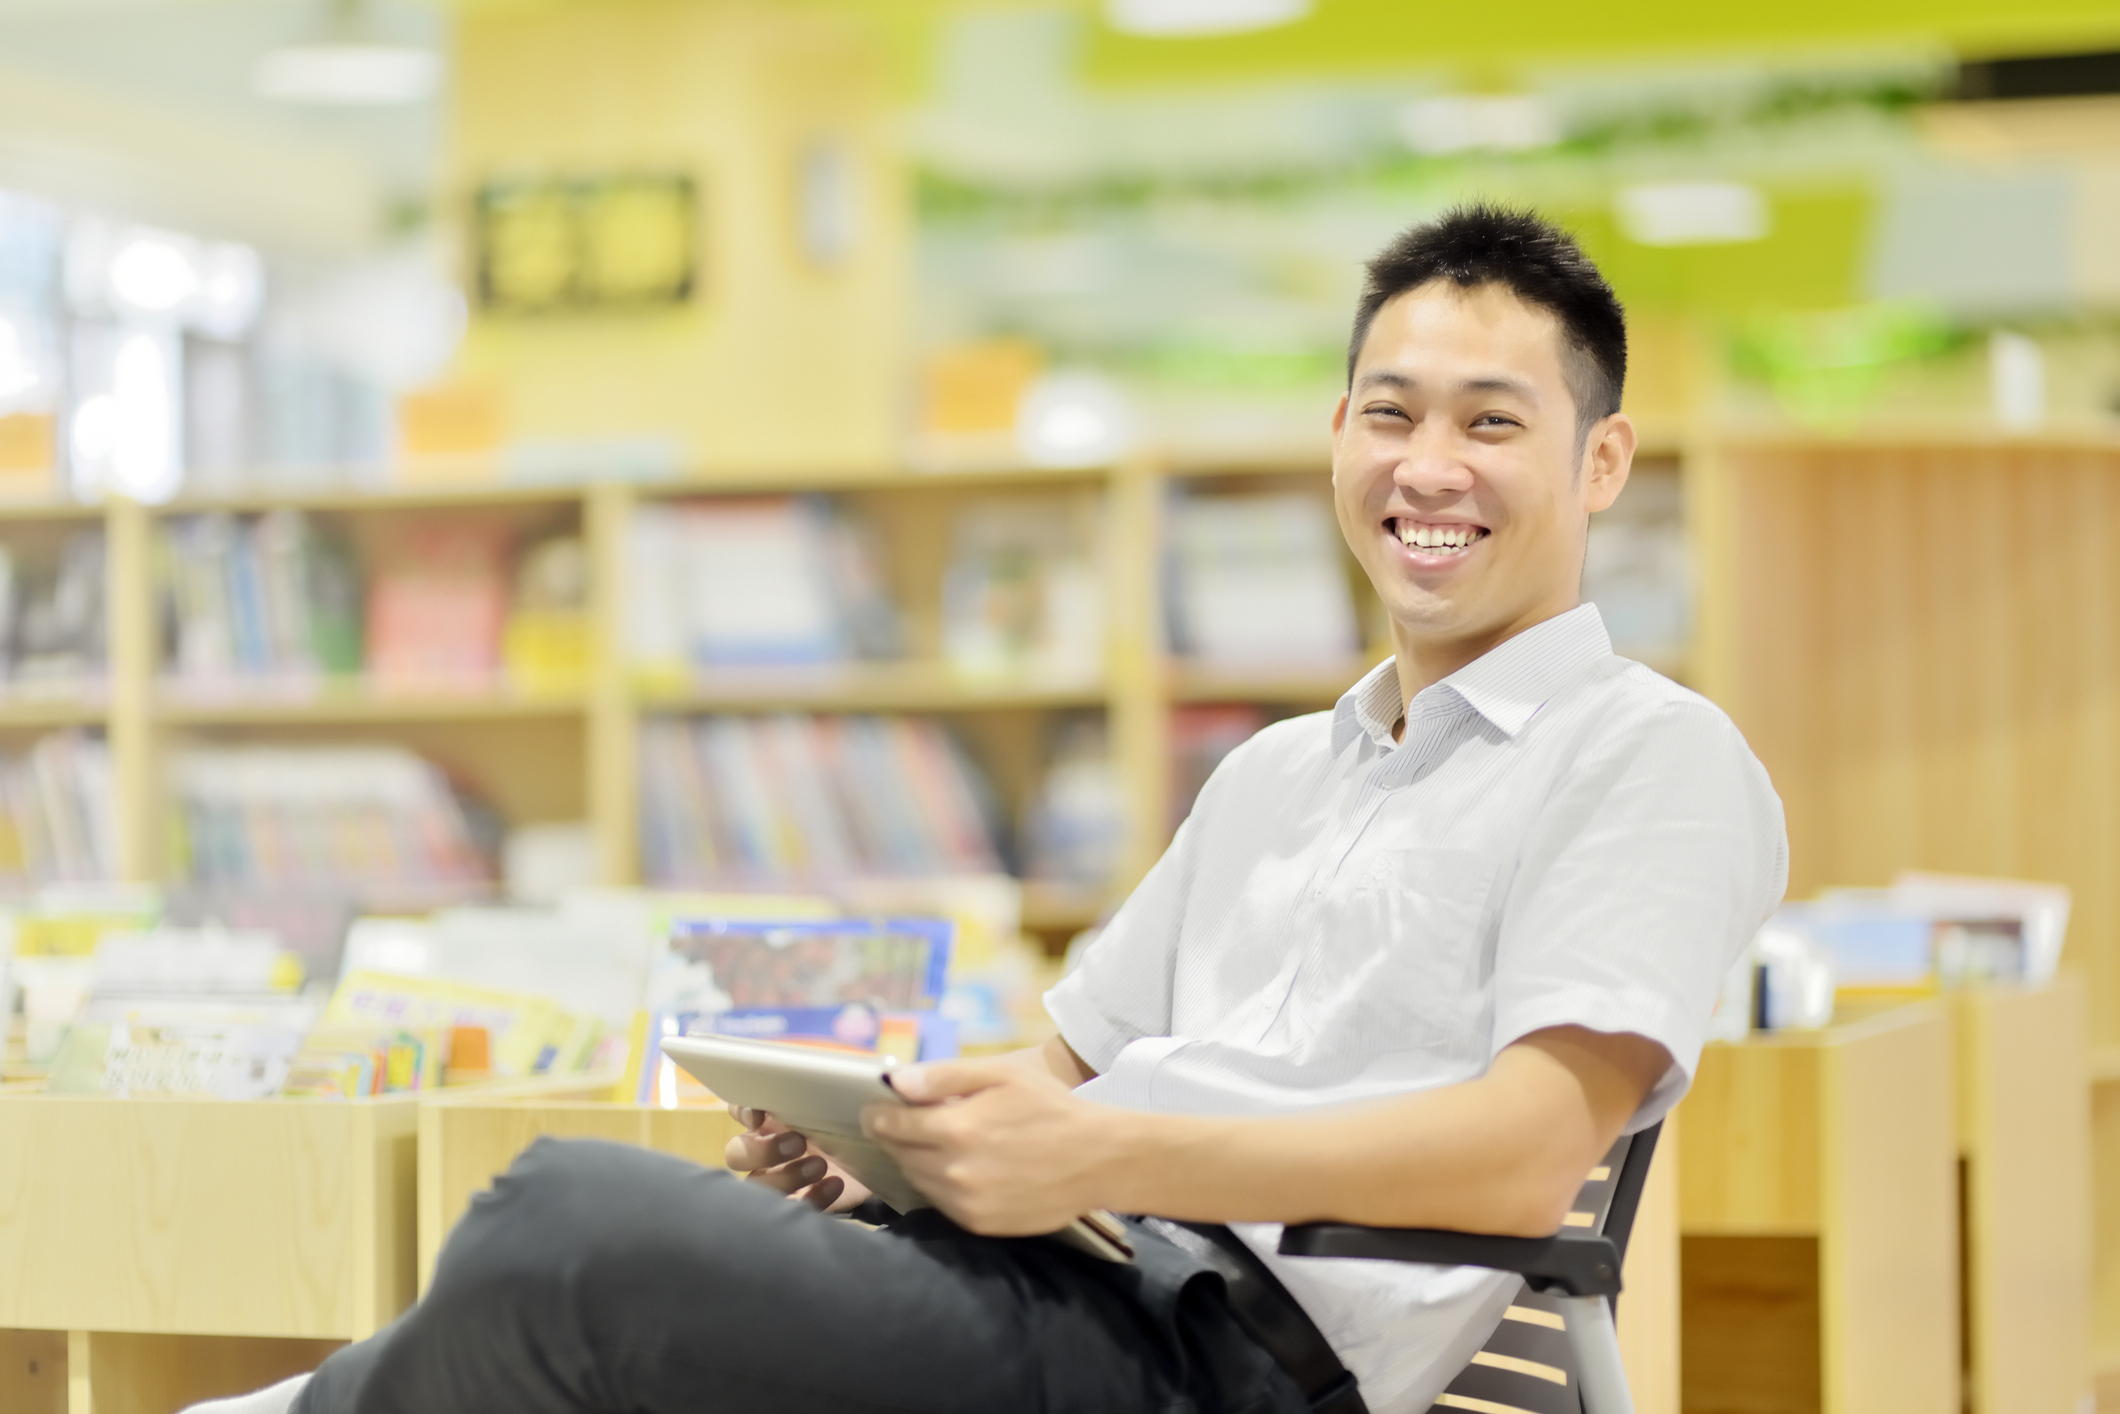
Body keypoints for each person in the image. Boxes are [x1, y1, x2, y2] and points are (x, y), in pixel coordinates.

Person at [196, 204, 1785, 1414]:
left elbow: (1521, 1159)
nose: (1428, 463)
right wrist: (884, 1144)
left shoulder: (1649, 754)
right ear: (1337, 437)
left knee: (562, 1225)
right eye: (1390, 410)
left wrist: (1104, 1154)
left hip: (1229, 1354)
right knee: (602, 1271)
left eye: (1492, 421)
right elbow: (1059, 1069)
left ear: (1601, 462)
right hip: (1061, 1273)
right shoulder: (1277, 774)